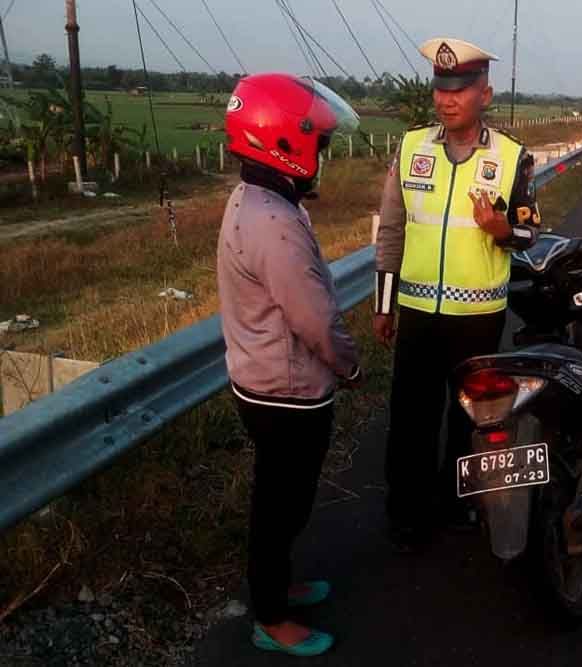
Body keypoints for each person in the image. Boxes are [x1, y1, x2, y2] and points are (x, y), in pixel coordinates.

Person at [374, 38, 541, 551]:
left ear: (484, 95)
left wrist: (500, 229)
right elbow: (391, 232)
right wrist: (384, 303)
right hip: (419, 311)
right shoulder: (411, 149)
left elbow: (530, 232)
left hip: (478, 316)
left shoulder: (512, 157)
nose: (447, 100)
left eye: (460, 91)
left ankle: (458, 503)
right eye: (441, 89)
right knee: (409, 416)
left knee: (469, 415)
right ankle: (406, 514)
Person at [217, 73, 362, 657]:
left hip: (264, 379)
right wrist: (349, 368)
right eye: (319, 145)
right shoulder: (274, 223)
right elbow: (316, 320)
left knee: (284, 499)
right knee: (280, 505)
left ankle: (280, 585)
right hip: (285, 392)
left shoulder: (257, 199)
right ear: (284, 143)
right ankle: (270, 617)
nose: (323, 157)